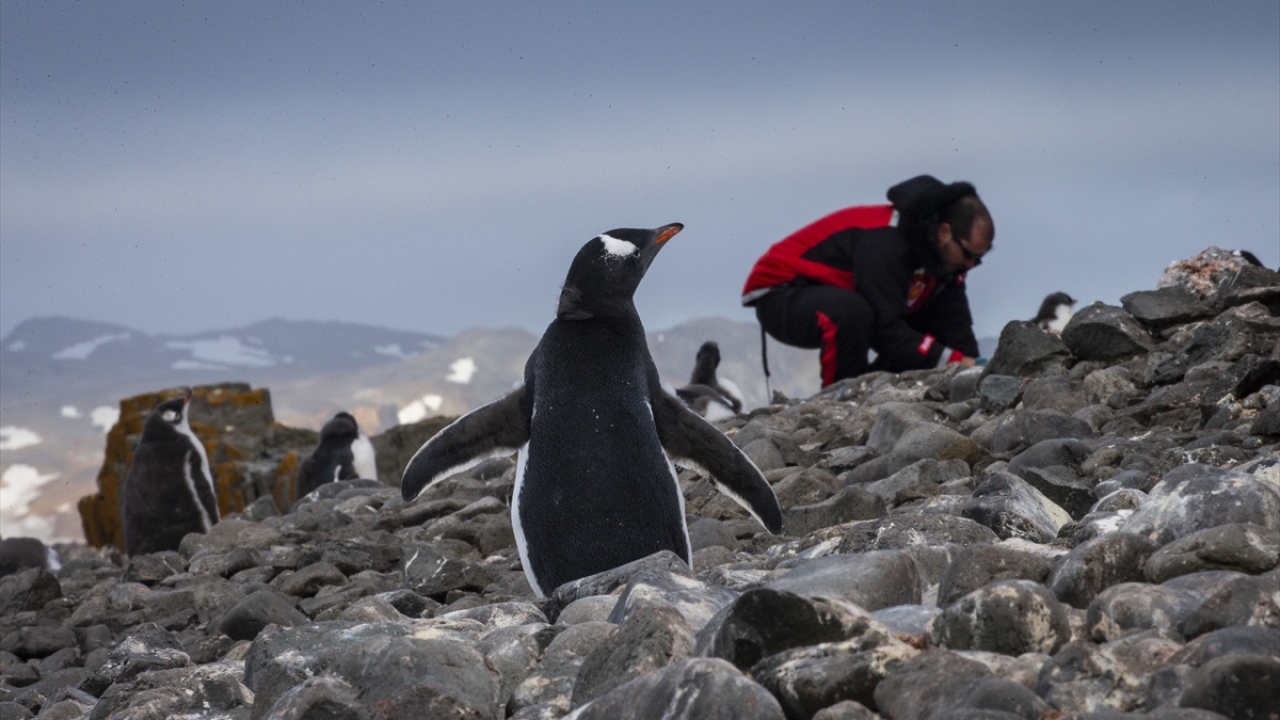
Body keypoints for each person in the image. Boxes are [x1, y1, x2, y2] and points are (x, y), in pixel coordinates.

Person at [742, 175, 993, 387]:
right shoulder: (886, 242)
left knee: (921, 325)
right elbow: (884, 326)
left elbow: (954, 325)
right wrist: (951, 360)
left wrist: (975, 369)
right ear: (944, 232)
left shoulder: (944, 263)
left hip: (839, 293)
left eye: (979, 258)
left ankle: (881, 389)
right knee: (854, 313)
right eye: (969, 255)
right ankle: (841, 397)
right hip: (779, 293)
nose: (971, 265)